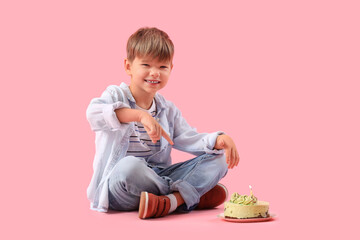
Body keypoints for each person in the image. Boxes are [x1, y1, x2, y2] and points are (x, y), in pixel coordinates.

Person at [86, 27, 240, 219]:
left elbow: (189, 138)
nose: (155, 73)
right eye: (146, 65)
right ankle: (188, 195)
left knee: (219, 159)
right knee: (130, 166)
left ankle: (170, 202)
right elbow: (93, 113)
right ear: (128, 67)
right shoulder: (115, 95)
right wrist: (140, 116)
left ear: (171, 69)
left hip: (159, 176)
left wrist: (218, 140)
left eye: (162, 67)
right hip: (121, 187)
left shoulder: (167, 109)